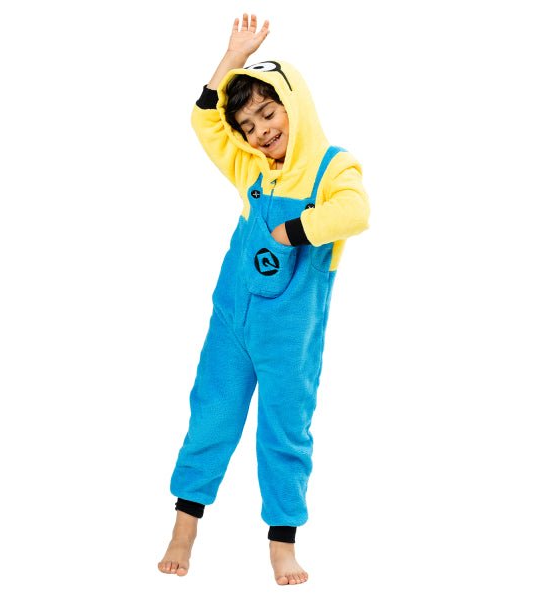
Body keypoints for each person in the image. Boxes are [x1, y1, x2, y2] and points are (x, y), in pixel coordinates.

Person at [157, 13, 370, 585]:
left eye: (269, 113)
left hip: (289, 335)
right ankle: (184, 527)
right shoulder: (250, 166)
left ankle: (282, 541)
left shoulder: (332, 168)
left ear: (295, 105)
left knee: (285, 431)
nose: (260, 131)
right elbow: (204, 120)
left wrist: (295, 229)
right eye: (248, 125)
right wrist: (232, 59)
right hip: (231, 318)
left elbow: (356, 212)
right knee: (211, 417)